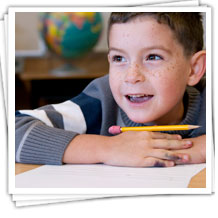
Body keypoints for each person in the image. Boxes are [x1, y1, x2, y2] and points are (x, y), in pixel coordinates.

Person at [15, 12, 206, 167]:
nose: (132, 76)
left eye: (153, 57)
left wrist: (204, 147)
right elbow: (11, 130)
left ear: (194, 69)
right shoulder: (101, 102)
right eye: (119, 58)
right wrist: (109, 148)